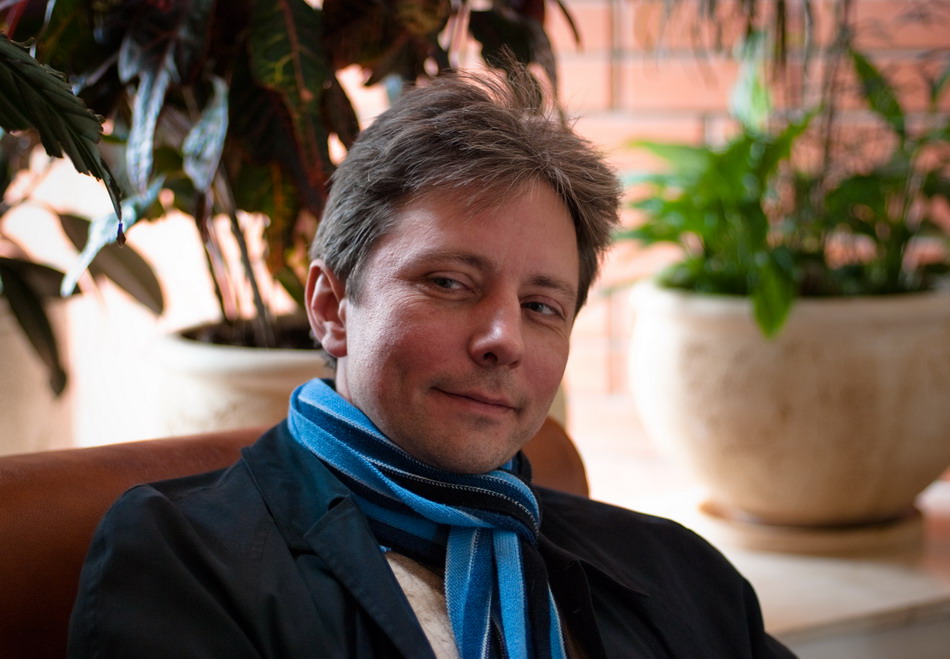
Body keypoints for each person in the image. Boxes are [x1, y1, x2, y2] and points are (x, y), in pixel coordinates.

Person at [68, 68, 794, 658]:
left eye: (542, 305)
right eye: (448, 283)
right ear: (331, 306)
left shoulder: (680, 574)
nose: (504, 338)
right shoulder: (185, 560)